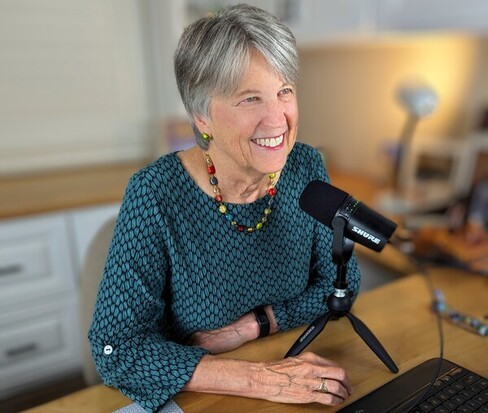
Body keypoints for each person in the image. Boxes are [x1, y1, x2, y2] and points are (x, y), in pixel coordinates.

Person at [88, 4, 361, 412]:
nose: (278, 120)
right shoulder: (156, 193)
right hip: (204, 397)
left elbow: (341, 285)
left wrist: (254, 326)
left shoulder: (305, 166)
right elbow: (115, 348)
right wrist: (259, 378)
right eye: (250, 98)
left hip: (294, 374)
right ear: (202, 116)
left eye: (285, 91)